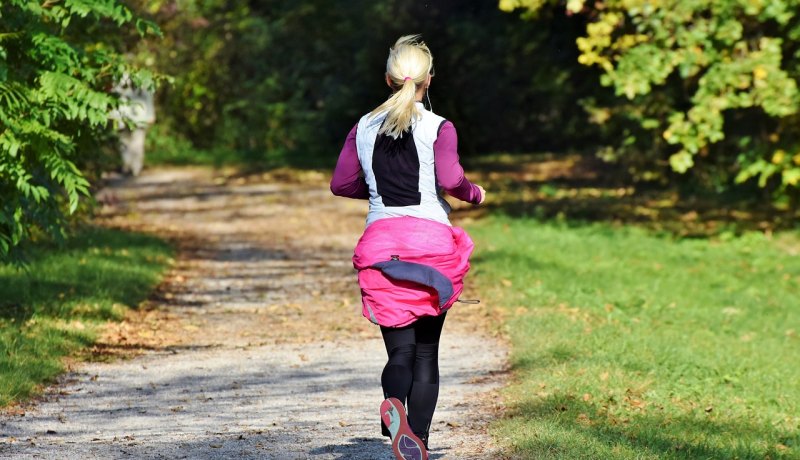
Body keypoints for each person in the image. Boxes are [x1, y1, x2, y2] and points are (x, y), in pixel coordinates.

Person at [330, 35, 486, 460]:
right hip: (431, 246)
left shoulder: (362, 126)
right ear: (429, 80)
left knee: (400, 350)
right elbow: (453, 181)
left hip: (383, 247)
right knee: (427, 351)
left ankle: (393, 404)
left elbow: (341, 184)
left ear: (388, 78)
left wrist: (378, 190)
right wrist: (476, 194)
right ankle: (418, 441)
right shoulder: (439, 127)